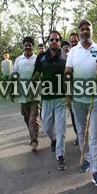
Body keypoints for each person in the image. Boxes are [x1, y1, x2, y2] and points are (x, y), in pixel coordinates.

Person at [65, 19, 97, 186]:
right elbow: (68, 73)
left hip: (96, 99)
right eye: (82, 29)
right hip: (78, 100)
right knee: (82, 133)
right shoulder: (73, 52)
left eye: (87, 29)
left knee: (95, 135)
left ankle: (96, 170)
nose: (84, 32)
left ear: (92, 31)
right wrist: (67, 96)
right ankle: (87, 158)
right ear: (79, 31)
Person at [33, 30, 67, 171]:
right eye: (52, 39)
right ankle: (53, 140)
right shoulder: (41, 57)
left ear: (59, 42)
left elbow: (70, 76)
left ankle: (60, 156)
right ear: (48, 41)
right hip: (46, 98)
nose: (54, 41)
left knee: (61, 129)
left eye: (57, 40)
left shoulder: (65, 57)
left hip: (61, 98)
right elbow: (36, 75)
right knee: (47, 127)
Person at [12, 36, 41, 152]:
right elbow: (14, 76)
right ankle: (33, 136)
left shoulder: (37, 59)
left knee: (33, 118)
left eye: (30, 45)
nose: (28, 47)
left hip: (35, 94)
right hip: (22, 94)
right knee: (27, 118)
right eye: (26, 45)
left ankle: (34, 141)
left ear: (32, 46)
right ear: (23, 46)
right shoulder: (18, 60)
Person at [68, 33, 80, 145]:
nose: (74, 43)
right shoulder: (68, 55)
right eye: (72, 42)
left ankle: (87, 135)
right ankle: (78, 135)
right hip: (73, 92)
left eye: (75, 41)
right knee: (74, 115)